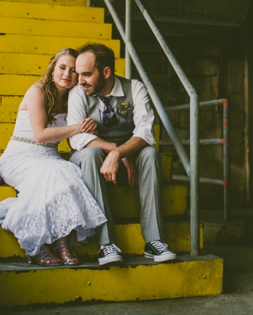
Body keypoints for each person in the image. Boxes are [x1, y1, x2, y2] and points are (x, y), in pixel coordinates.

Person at [0, 48, 107, 266]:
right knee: (55, 173)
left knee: (68, 173)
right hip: (20, 157)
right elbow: (40, 135)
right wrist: (78, 127)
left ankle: (61, 241)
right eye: (62, 68)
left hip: (49, 158)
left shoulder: (73, 99)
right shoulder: (37, 91)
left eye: (74, 70)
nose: (67, 74)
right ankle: (40, 244)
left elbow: (71, 140)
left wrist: (90, 128)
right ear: (52, 66)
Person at [68, 43, 177, 265]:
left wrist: (120, 153)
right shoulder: (77, 93)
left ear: (106, 72)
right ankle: (106, 244)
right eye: (78, 74)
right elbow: (77, 139)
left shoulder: (134, 88)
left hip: (127, 149)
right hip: (91, 153)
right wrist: (116, 152)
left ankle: (154, 241)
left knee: (150, 154)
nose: (80, 81)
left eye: (86, 74)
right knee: (90, 155)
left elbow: (145, 131)